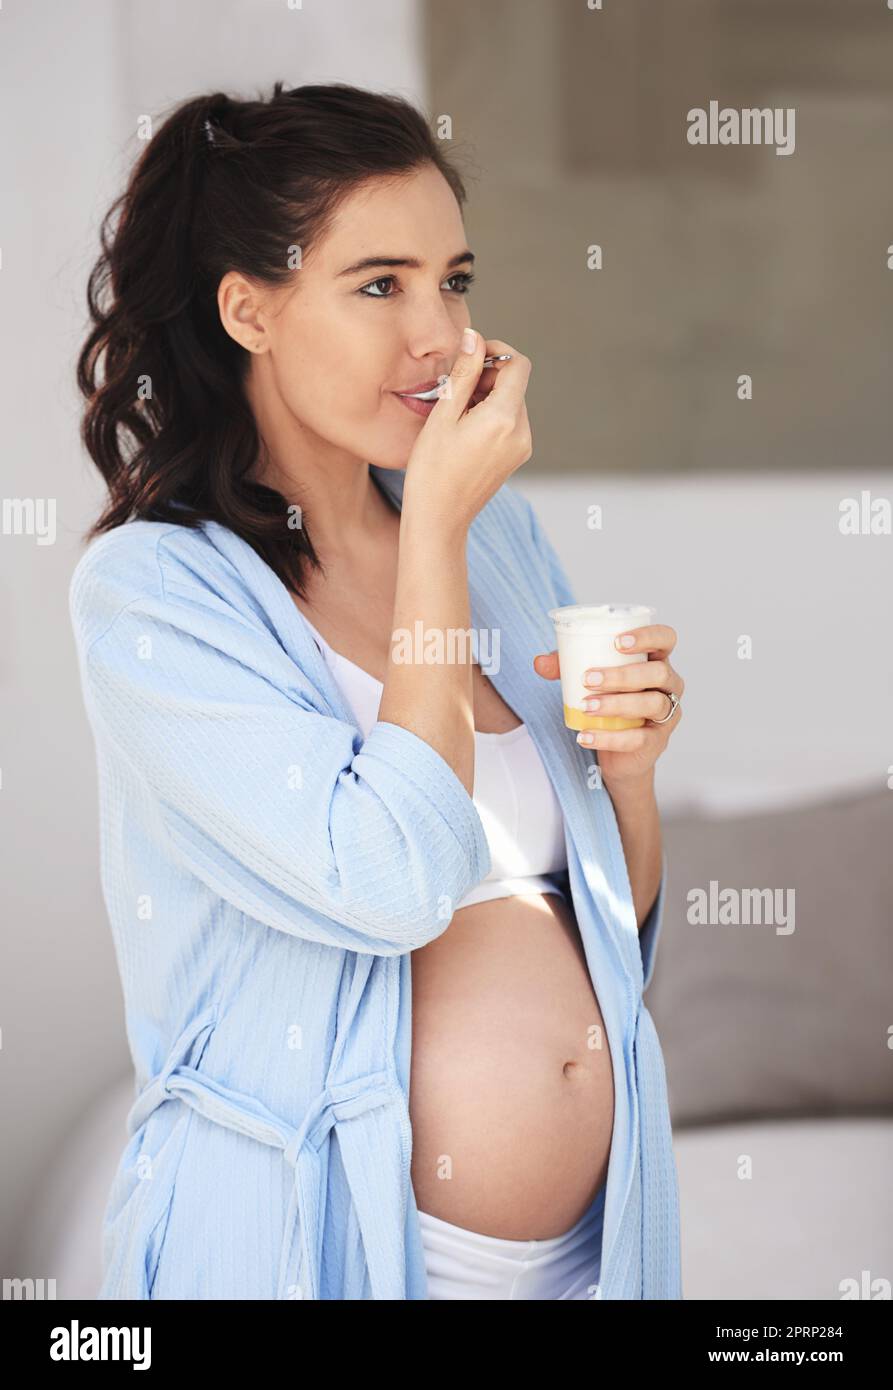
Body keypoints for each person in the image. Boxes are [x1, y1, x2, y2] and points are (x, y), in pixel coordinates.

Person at [70, 81, 685, 1300]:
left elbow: (604, 938)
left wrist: (626, 777)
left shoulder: (492, 540)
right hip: (332, 1250)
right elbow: (392, 882)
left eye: (453, 281)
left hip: (586, 1258)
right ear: (248, 309)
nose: (441, 337)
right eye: (378, 284)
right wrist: (438, 535)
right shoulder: (154, 595)